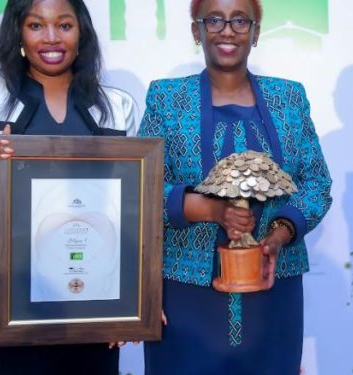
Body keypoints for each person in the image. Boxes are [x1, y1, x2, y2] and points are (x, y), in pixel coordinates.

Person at [0, 0, 138, 373]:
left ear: (82, 33)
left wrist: (128, 302)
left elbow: (130, 211)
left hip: (92, 287)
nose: (51, 38)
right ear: (19, 33)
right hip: (1, 289)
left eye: (64, 25)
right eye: (36, 25)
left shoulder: (117, 106)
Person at [138, 0, 332, 373]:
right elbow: (143, 187)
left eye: (240, 20)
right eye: (214, 20)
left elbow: (317, 183)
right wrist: (211, 209)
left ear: (256, 33)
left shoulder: (289, 98)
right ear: (197, 31)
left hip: (274, 284)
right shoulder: (166, 99)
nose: (227, 30)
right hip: (185, 290)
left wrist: (280, 234)